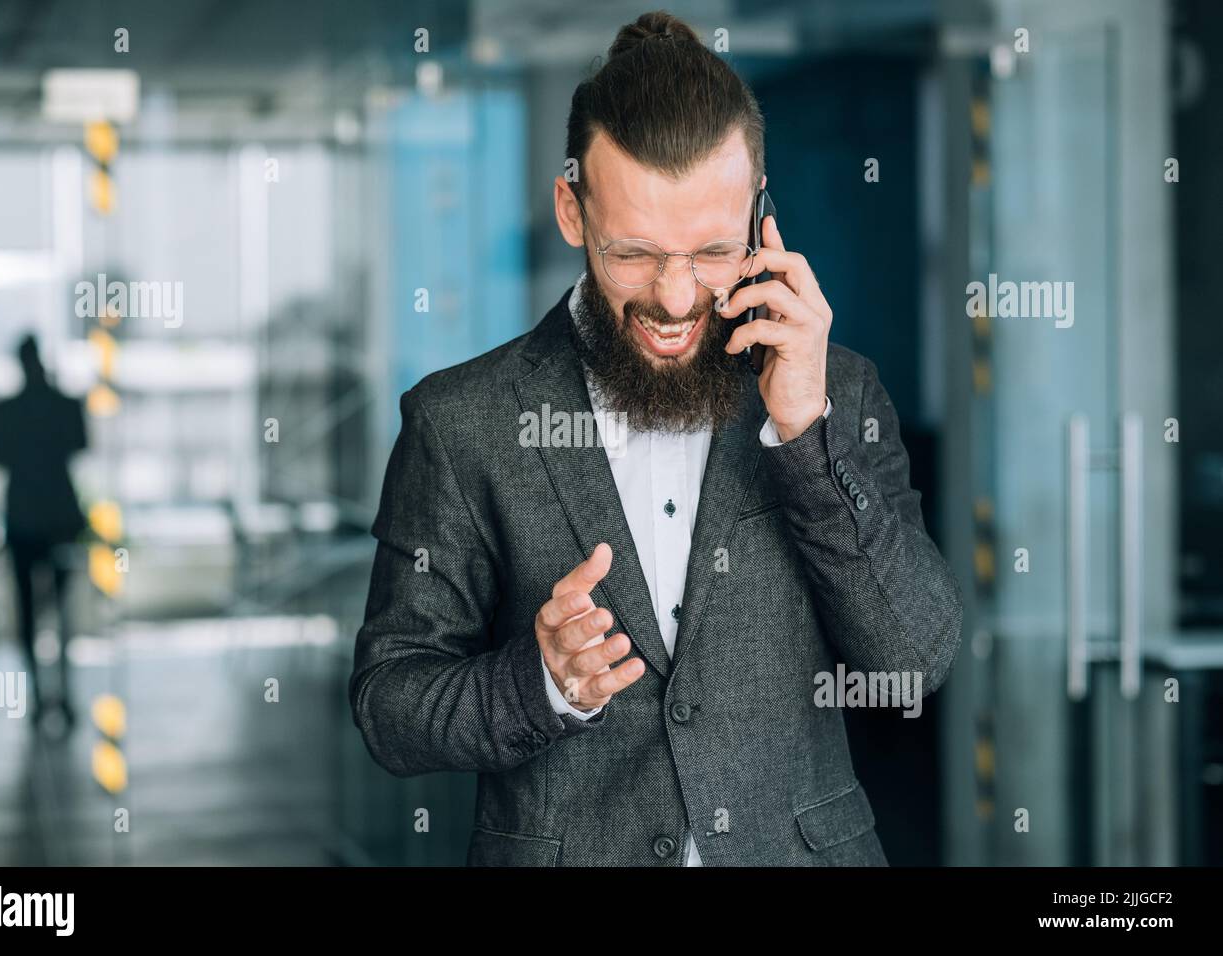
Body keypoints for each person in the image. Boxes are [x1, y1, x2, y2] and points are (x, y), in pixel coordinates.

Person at [350, 11, 963, 866]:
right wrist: (540, 684)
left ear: (760, 213)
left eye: (712, 251)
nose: (676, 298)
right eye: (634, 253)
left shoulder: (839, 390)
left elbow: (914, 659)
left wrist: (806, 433)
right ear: (573, 210)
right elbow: (389, 707)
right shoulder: (460, 422)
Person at [0, 333, 88, 730]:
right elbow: (80, 444)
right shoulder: (63, 405)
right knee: (59, 612)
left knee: (29, 613)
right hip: (57, 519)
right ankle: (61, 694)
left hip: (25, 520)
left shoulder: (7, 411)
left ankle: (39, 696)